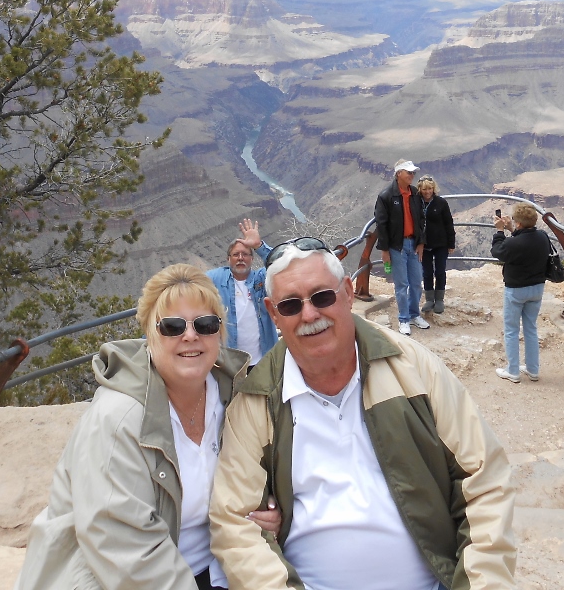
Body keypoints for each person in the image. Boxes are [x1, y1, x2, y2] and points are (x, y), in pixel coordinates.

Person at [210, 242, 517, 590]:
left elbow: (484, 478)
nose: (309, 315)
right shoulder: (257, 401)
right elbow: (235, 522)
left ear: (348, 292)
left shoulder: (412, 368)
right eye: (291, 305)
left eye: (322, 297)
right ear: (273, 313)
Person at [14, 264, 279, 590]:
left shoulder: (233, 397)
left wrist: (267, 510)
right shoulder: (117, 420)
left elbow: (259, 483)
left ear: (220, 333)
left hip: (214, 570)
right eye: (172, 326)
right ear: (149, 335)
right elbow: (124, 551)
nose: (191, 335)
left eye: (206, 324)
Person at [490, 203, 550, 383]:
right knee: (531, 328)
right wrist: (512, 229)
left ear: (520, 223)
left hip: (516, 290)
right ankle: (533, 369)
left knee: (511, 330)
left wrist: (500, 231)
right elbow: (524, 240)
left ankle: (513, 371)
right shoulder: (543, 237)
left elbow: (498, 251)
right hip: (537, 288)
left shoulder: (513, 242)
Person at [208, 218, 278, 364]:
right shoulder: (216, 278)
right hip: (230, 362)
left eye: (245, 254)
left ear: (252, 259)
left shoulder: (261, 279)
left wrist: (259, 246)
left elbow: (283, 265)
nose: (240, 258)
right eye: (236, 254)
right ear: (228, 259)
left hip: (262, 360)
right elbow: (187, 284)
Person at [374, 158, 428, 335]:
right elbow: (381, 225)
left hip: (413, 244)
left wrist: (421, 242)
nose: (412, 175)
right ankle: (404, 319)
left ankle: (414, 314)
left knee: (416, 282)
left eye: (413, 172)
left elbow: (421, 219)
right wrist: (384, 250)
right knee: (401, 284)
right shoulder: (386, 196)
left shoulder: (414, 193)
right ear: (399, 174)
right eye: (409, 172)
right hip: (397, 246)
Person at [418, 175, 456, 316]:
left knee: (440, 271)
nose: (427, 191)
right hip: (424, 245)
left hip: (441, 244)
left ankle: (439, 299)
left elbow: (448, 223)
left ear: (434, 188)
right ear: (420, 190)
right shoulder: (417, 203)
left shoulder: (441, 203)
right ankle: (429, 299)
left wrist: (451, 243)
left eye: (430, 188)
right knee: (427, 272)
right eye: (424, 189)